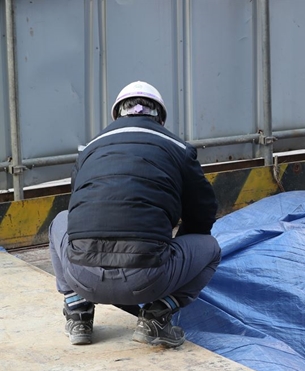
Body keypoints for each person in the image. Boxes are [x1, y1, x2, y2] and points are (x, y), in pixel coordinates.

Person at [49, 80, 220, 348]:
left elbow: (79, 207)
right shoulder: (178, 148)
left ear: (117, 115)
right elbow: (203, 213)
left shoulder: (90, 149)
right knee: (210, 248)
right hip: (149, 280)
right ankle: (156, 317)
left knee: (60, 220)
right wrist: (175, 247)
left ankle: (78, 311)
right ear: (160, 118)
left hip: (83, 276)